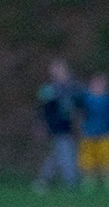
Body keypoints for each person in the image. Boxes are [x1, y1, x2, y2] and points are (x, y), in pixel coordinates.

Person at [34, 58, 82, 193]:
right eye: (56, 70)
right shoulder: (49, 90)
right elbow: (43, 110)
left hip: (67, 126)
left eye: (61, 69)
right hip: (55, 127)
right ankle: (71, 181)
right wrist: (41, 125)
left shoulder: (72, 87)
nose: (60, 72)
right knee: (66, 151)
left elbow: (78, 104)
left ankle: (42, 180)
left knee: (57, 155)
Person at [77, 72, 109, 191]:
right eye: (96, 83)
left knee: (107, 158)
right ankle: (89, 182)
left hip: (106, 133)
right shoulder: (86, 98)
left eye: (101, 83)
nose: (98, 86)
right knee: (88, 159)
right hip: (89, 133)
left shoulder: (108, 98)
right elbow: (80, 112)